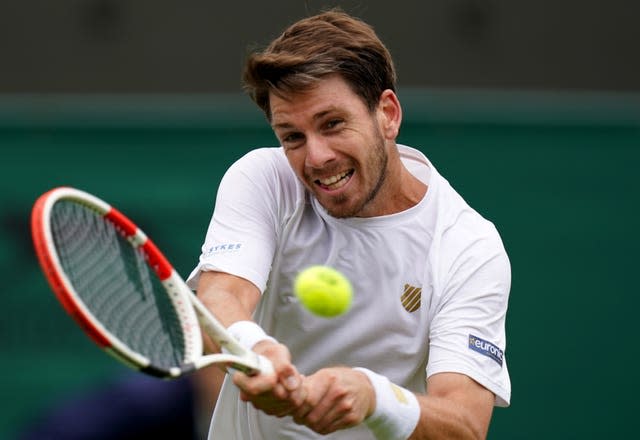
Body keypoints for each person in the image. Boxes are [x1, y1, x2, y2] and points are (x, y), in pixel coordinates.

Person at [186, 9, 511, 440]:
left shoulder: (468, 246)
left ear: (388, 114)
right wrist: (256, 350)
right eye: (292, 137)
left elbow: (465, 425)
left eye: (333, 124)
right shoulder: (263, 179)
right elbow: (220, 297)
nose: (317, 157)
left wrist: (374, 398)